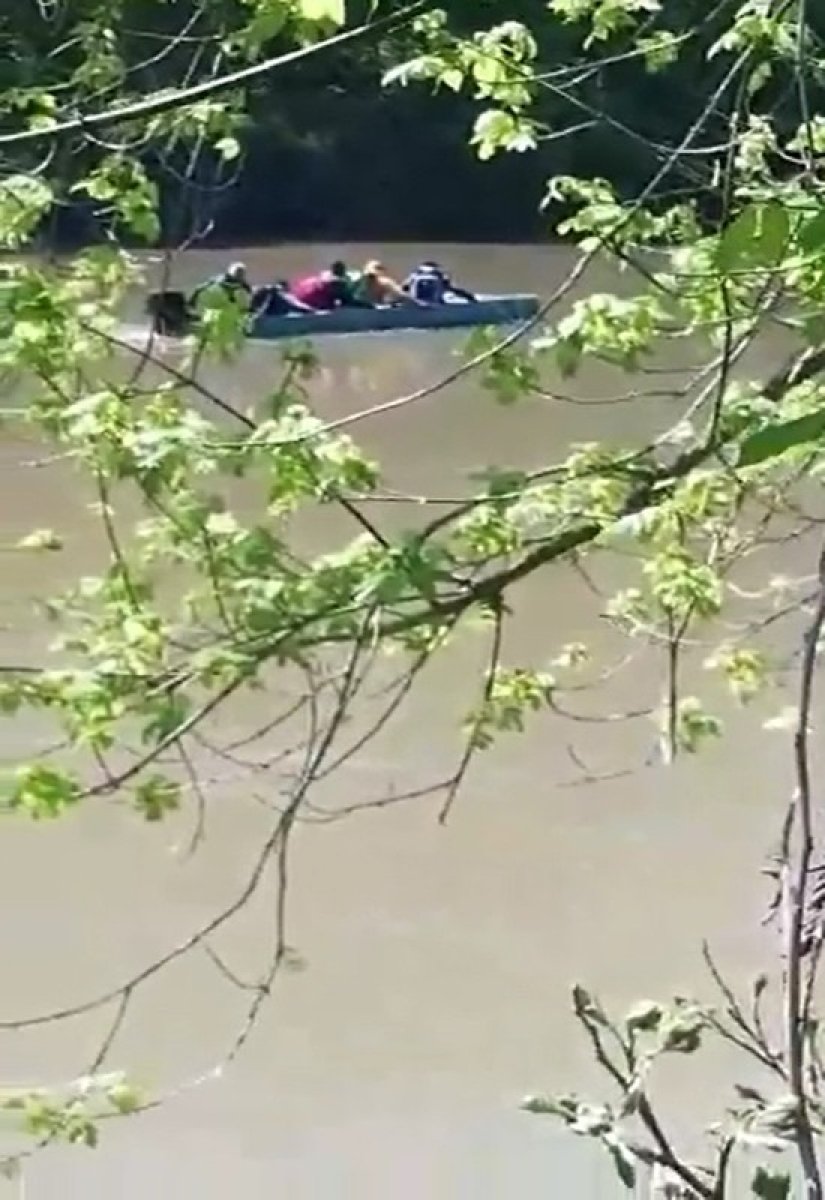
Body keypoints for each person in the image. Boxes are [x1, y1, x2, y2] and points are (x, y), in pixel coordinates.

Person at [290, 260, 364, 310]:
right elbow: (345, 298)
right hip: (311, 298)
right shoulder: (333, 282)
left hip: (300, 290)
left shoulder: (325, 274)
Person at [402, 261, 477, 304]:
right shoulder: (440, 274)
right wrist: (470, 297)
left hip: (414, 305)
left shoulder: (414, 274)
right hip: (435, 305)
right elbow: (452, 289)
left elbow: (403, 288)